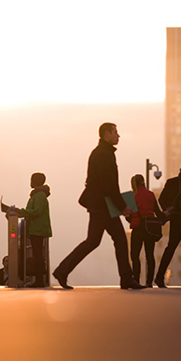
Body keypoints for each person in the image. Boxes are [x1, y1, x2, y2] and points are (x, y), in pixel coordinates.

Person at [53, 123, 145, 290]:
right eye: (115, 132)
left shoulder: (103, 153)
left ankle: (126, 278)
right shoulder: (103, 154)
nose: (119, 136)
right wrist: (123, 207)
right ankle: (62, 270)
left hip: (103, 206)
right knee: (96, 241)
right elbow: (109, 185)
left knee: (113, 240)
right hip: (103, 207)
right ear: (106, 134)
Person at [17, 172, 52, 288]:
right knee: (37, 254)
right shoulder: (36, 195)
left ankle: (39, 280)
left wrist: (21, 212)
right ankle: (39, 279)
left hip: (38, 228)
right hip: (35, 228)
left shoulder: (40, 196)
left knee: (38, 255)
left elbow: (37, 211)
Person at [129, 174, 164, 287]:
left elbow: (128, 217)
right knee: (149, 255)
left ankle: (136, 281)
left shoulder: (132, 197)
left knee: (135, 255)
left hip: (138, 228)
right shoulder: (151, 194)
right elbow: (158, 213)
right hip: (149, 228)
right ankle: (149, 282)